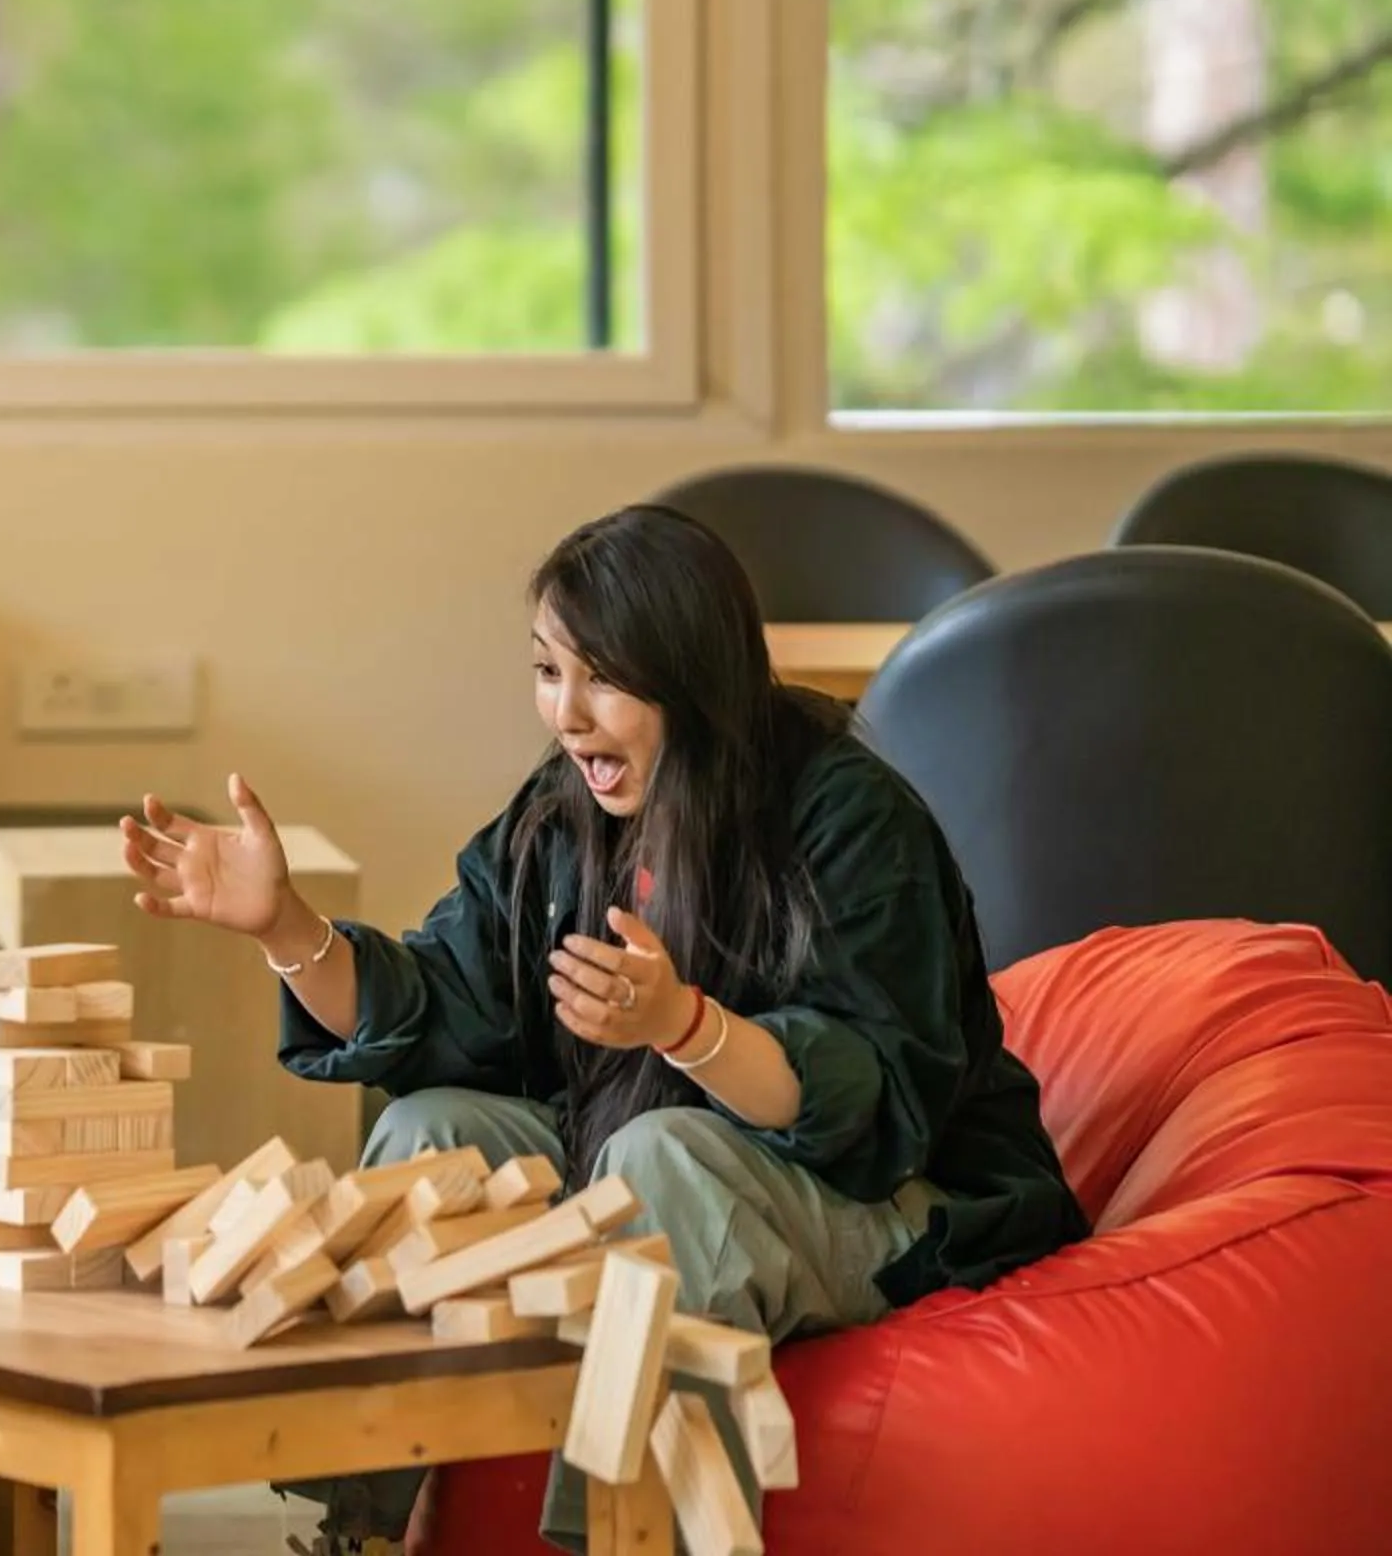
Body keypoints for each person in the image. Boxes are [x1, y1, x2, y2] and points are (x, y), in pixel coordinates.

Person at [121, 505, 1088, 1556]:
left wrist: (686, 1025)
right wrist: (284, 925)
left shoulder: (850, 817)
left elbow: (870, 1101)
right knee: (429, 1133)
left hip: (894, 1197)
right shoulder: (564, 811)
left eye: (605, 679)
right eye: (549, 671)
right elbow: (443, 997)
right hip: (643, 1160)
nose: (568, 715)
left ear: (690, 676)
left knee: (659, 1155)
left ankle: (626, 1538)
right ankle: (360, 1529)